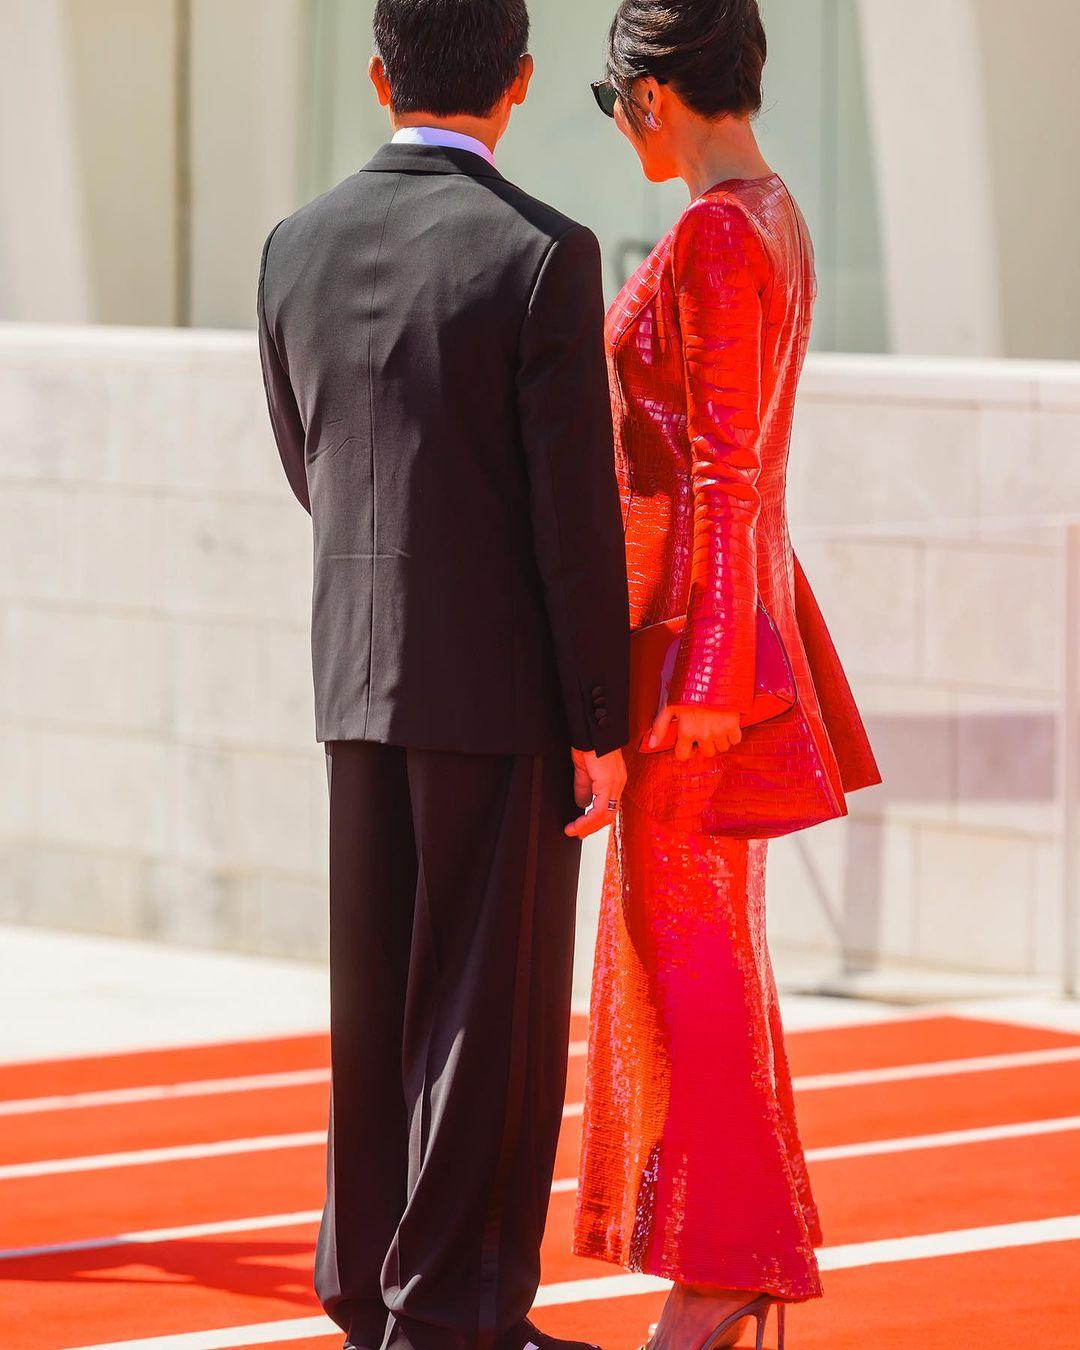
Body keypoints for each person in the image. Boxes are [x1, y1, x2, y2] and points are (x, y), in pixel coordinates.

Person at [257, 3, 630, 1347]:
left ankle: (368, 1287)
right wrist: (603, 720)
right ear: (520, 81)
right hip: (502, 688)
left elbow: (308, 459)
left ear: (379, 74)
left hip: (353, 674)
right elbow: (573, 519)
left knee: (372, 1001)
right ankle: (457, 1309)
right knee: (489, 1013)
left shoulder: (293, 245)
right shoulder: (542, 253)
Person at [574, 3, 882, 1348]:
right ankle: (730, 1263)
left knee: (685, 967)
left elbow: (722, 469)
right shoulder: (774, 216)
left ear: (651, 92)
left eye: (614, 102)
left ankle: (727, 1267)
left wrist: (702, 679)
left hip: (700, 662)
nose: (619, 127)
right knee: (706, 965)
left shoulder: (714, 233)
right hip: (726, 642)